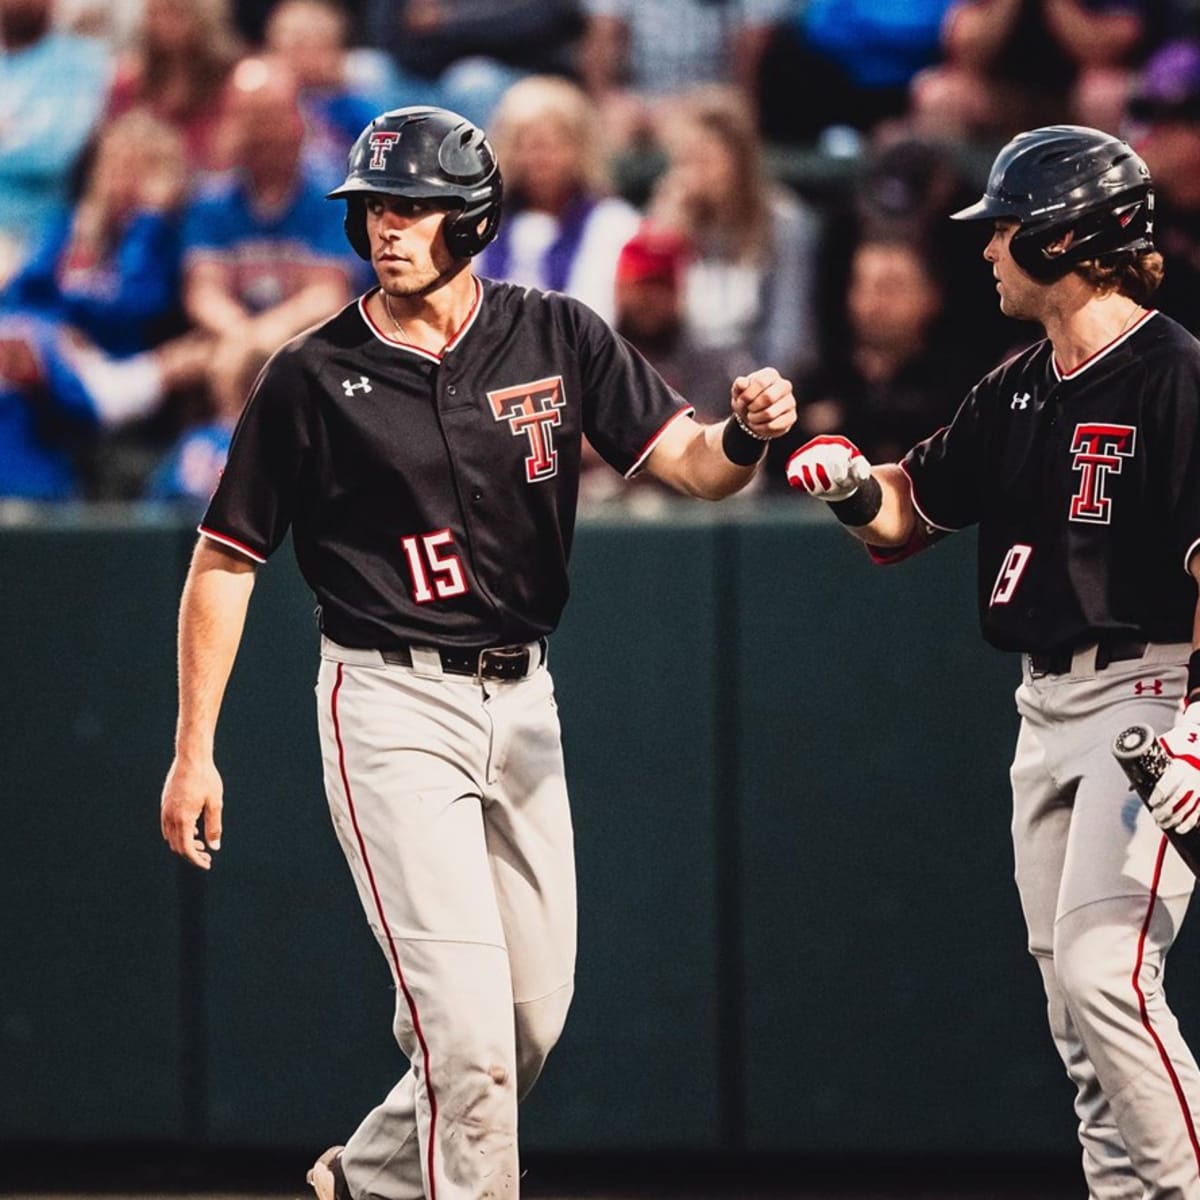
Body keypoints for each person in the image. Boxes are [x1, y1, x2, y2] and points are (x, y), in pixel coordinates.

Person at [157, 104, 796, 1200]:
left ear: (473, 217)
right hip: (390, 705)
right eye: (371, 209)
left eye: (409, 206)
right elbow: (224, 560)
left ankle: (364, 1180)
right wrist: (193, 749)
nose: (385, 228)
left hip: (524, 701)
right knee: (469, 1050)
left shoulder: (555, 331)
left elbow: (694, 466)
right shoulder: (310, 374)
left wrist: (744, 432)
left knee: (529, 1026)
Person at [787, 125, 1200, 1197]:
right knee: (1076, 1012)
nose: (987, 249)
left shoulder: (1175, 375)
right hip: (1046, 706)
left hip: (1150, 696)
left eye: (1007, 228)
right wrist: (846, 487)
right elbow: (905, 515)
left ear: (1067, 237)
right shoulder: (1016, 382)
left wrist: (1197, 735)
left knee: (1109, 982)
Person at [180, 55, 355, 421]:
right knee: (193, 360)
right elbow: (203, 292)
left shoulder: (332, 196)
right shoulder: (211, 201)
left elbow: (329, 295)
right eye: (248, 118)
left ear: (298, 122)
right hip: (231, 341)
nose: (260, 133)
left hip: (313, 343)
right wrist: (244, 337)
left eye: (270, 118)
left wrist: (260, 341)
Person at [647, 84, 822, 378]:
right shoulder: (668, 221)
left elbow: (786, 338)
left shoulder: (783, 222)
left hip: (758, 393)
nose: (690, 175)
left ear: (738, 160)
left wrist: (748, 405)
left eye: (704, 160)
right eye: (682, 161)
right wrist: (663, 245)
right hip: (680, 399)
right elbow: (645, 335)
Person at [475, 75, 641, 327]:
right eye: (525, 145)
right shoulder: (481, 220)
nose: (538, 159)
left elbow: (598, 314)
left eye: (550, 146)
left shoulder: (612, 223)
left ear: (579, 148)